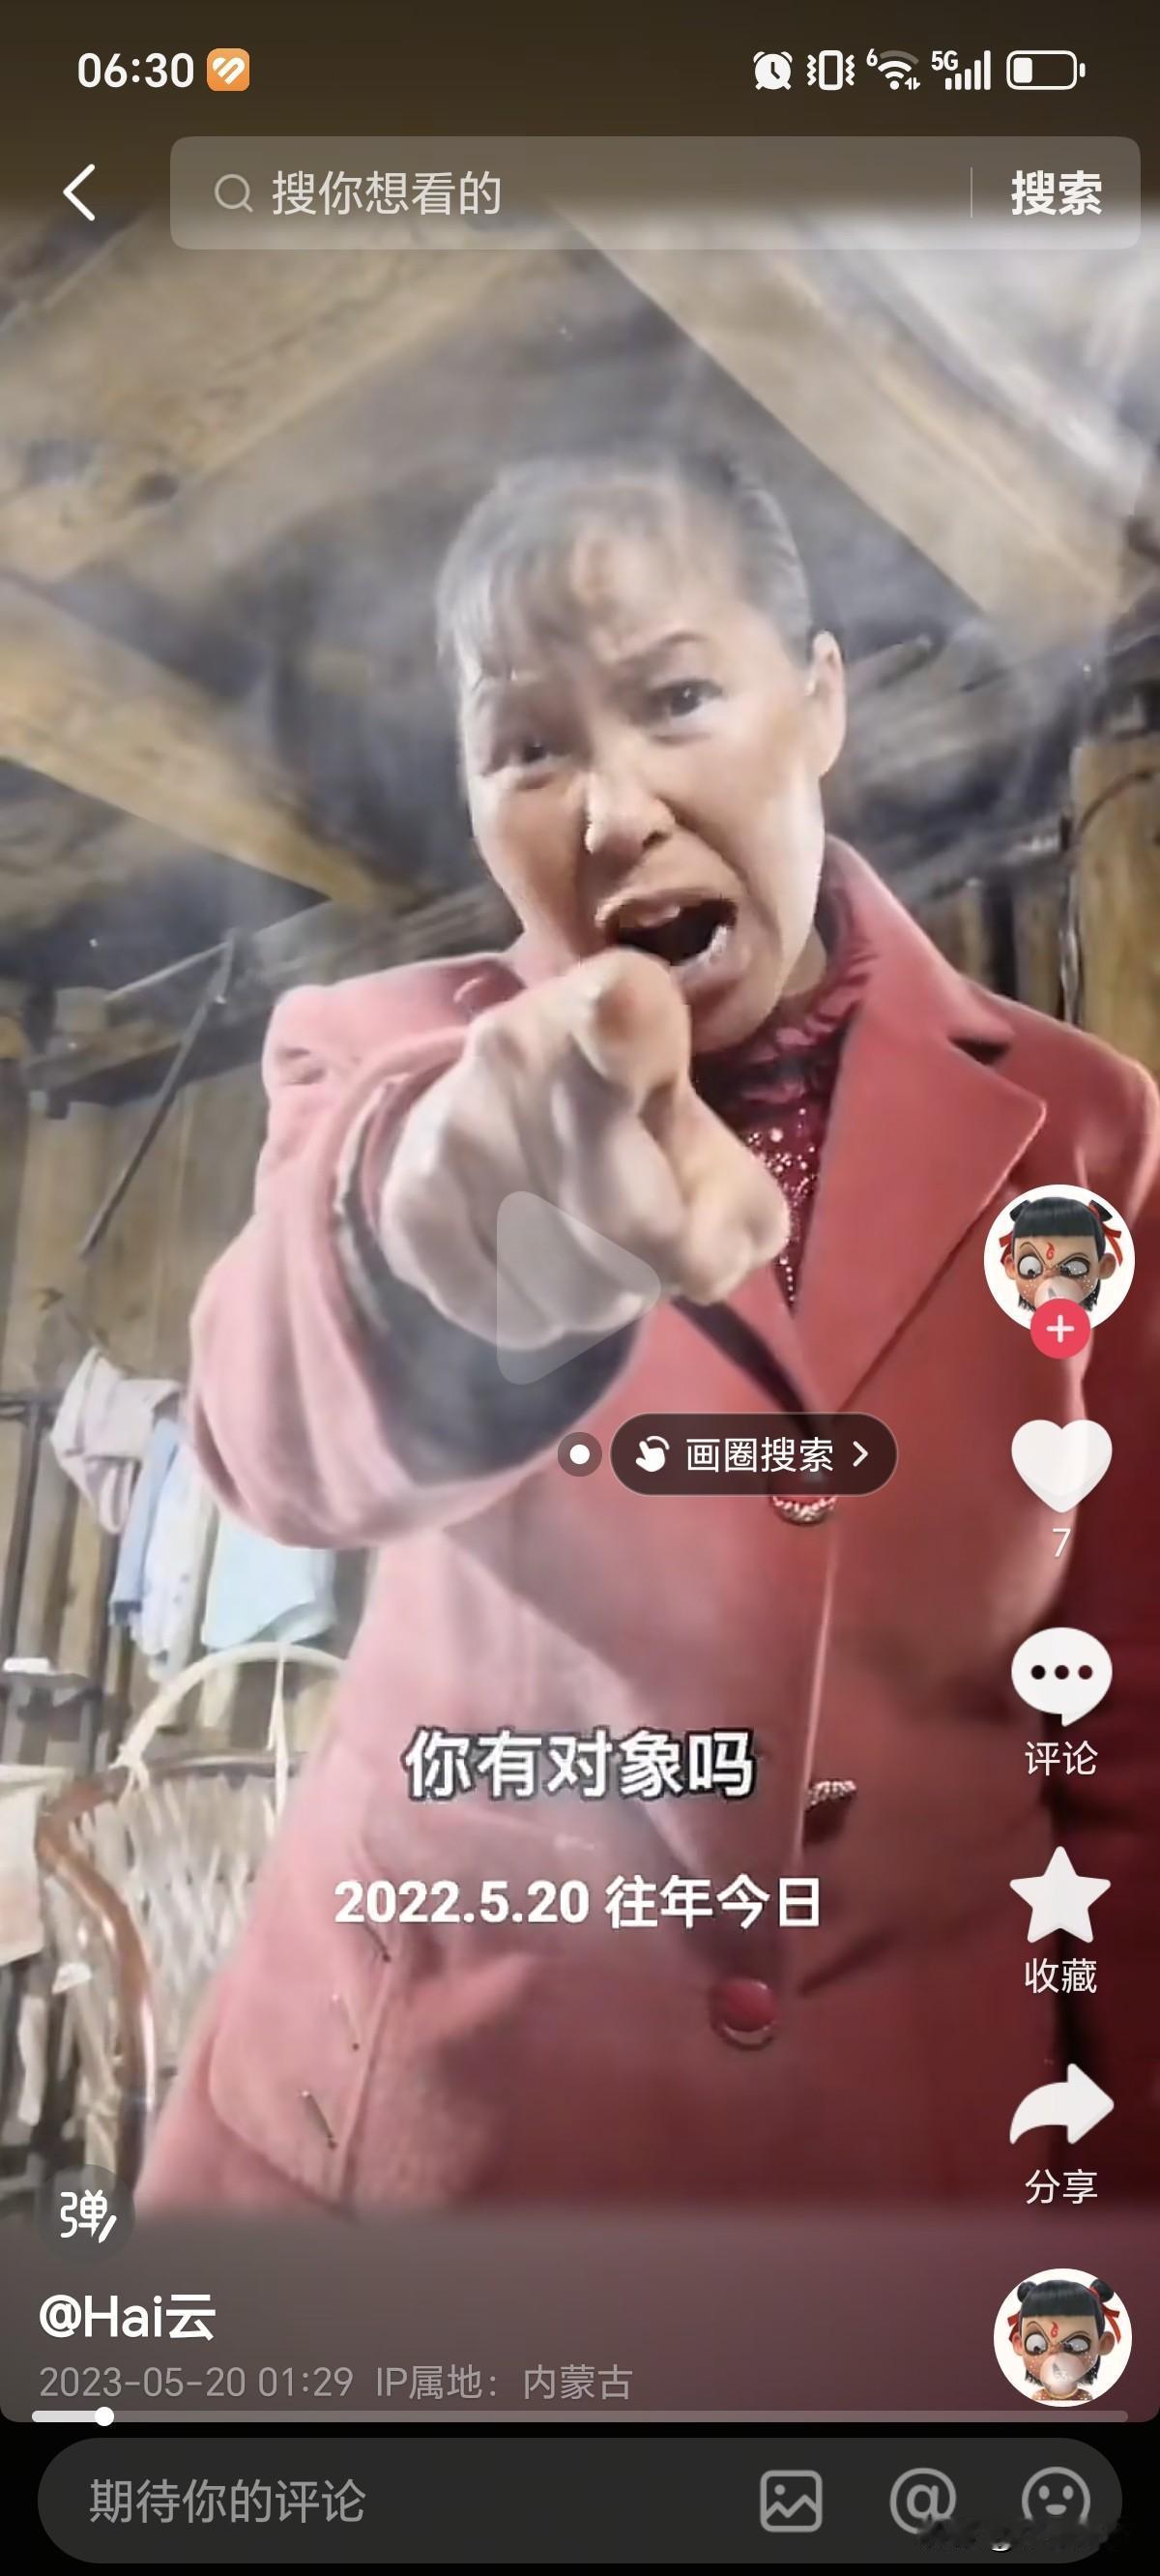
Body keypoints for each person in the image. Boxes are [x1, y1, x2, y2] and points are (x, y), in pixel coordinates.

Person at [138, 442, 1160, 2213]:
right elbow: (262, 1436)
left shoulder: (1087, 1134)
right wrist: (423, 1255)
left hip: (908, 2173)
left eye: (678, 697)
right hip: (426, 2157)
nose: (610, 810)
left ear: (819, 702)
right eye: (527, 748)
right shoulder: (376, 1064)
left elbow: (1129, 1722)